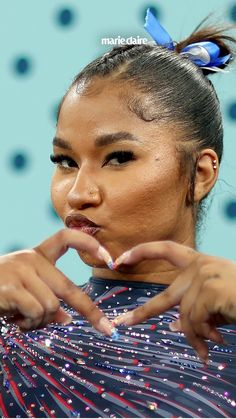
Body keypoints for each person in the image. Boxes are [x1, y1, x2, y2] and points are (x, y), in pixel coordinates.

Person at [0, 9, 236, 418]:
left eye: (119, 157)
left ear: (199, 174)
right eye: (65, 161)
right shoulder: (16, 331)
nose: (78, 194)